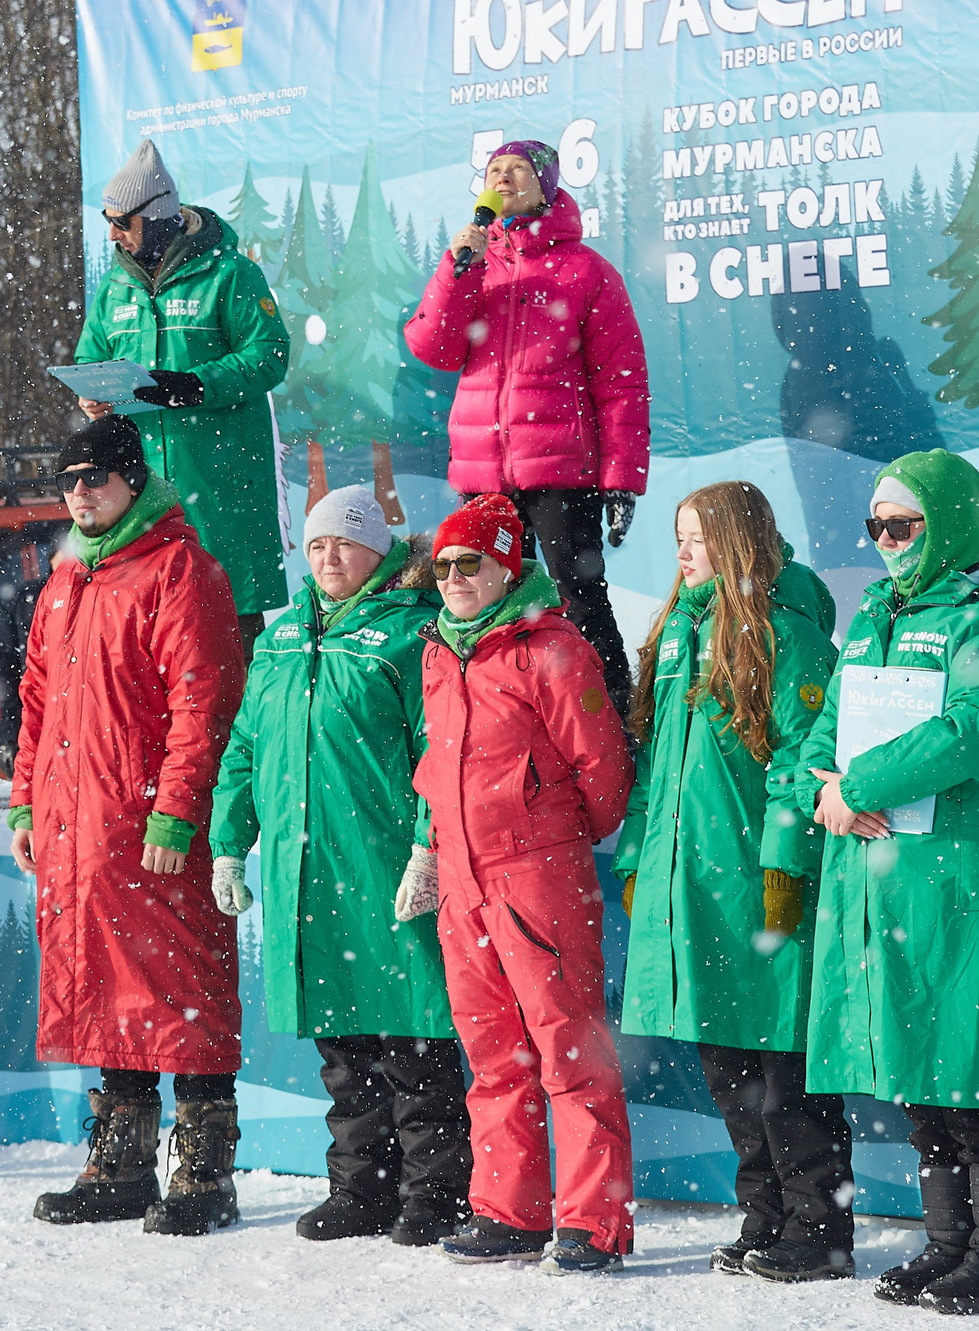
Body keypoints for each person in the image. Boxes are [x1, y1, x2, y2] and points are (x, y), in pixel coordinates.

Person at [802, 449, 979, 1316]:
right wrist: (819, 788)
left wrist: (860, 784)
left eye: (902, 524)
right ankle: (951, 1244)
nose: (886, 542)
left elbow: (975, 726)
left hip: (958, 877)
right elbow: (823, 732)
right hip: (879, 879)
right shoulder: (874, 613)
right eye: (875, 526)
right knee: (922, 1075)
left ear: (948, 521)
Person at [208, 486, 469, 1246]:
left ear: (380, 553)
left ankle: (437, 1191)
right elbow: (246, 749)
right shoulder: (281, 639)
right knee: (344, 1051)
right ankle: (361, 1188)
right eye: (318, 543)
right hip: (307, 875)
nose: (329, 557)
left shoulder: (415, 634)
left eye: (346, 544)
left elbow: (440, 753)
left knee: (414, 1039)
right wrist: (228, 842)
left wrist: (428, 847)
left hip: (385, 867)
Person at [12, 414, 248, 1234]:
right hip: (79, 829)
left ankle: (205, 1173)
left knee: (182, 992)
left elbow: (204, 702)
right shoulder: (66, 579)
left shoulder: (180, 570)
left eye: (96, 479)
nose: (81, 494)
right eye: (69, 481)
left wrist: (180, 808)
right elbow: (37, 704)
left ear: (134, 480)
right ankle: (119, 1164)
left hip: (149, 824)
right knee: (109, 990)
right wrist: (24, 802)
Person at [611, 483, 849, 1280]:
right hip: (692, 892)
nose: (682, 552)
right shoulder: (676, 630)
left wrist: (783, 860)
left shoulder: (787, 635)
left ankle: (821, 1224)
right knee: (729, 1067)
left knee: (781, 1064)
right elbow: (650, 768)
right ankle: (768, 1212)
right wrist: (639, 858)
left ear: (740, 542)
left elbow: (803, 756)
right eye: (678, 537)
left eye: (698, 538)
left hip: (751, 885)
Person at [398, 491, 635, 1272]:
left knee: (569, 1045)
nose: (455, 577)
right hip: (463, 878)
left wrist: (554, 835)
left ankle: (593, 1220)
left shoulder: (552, 646)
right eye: (444, 565)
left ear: (507, 567)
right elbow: (440, 764)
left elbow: (603, 769)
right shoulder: (439, 649)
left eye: (472, 563)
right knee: (494, 1048)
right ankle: (512, 1207)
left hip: (537, 873)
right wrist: (434, 848)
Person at [402, 136, 649, 706]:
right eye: (495, 169)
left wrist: (621, 480)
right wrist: (455, 271)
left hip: (561, 471)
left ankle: (610, 720)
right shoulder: (472, 262)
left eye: (519, 169)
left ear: (547, 185)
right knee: (484, 598)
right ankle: (503, 715)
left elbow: (622, 384)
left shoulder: (586, 271)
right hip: (482, 475)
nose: (505, 177)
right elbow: (430, 346)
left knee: (577, 599)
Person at [73, 137, 292, 640]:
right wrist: (92, 392)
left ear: (157, 215)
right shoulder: (114, 289)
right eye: (107, 221)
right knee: (151, 635)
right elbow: (90, 356)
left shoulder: (230, 273)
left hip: (220, 483)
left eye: (121, 222)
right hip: (140, 490)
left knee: (229, 637)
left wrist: (194, 385)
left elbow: (270, 355)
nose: (111, 234)